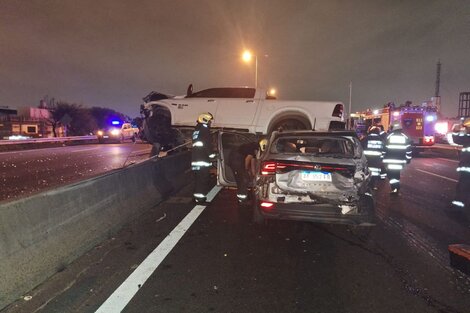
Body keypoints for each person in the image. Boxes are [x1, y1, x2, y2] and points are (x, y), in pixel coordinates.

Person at [191, 112, 215, 203]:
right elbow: (207, 144)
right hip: (202, 159)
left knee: (197, 179)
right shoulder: (205, 130)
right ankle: (200, 198)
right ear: (205, 120)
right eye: (209, 121)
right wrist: (212, 155)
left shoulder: (196, 130)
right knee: (203, 179)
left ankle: (196, 195)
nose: (210, 123)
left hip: (195, 159)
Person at [383, 126, 411, 194]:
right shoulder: (405, 137)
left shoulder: (389, 136)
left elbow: (384, 148)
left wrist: (382, 157)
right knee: (396, 173)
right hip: (400, 160)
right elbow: (408, 150)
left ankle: (395, 187)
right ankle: (396, 187)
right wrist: (408, 159)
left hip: (390, 160)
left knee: (391, 175)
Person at [451, 118, 470, 209]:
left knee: (463, 187)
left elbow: (456, 139)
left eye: (467, 128)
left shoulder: (467, 138)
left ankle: (457, 208)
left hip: (467, 169)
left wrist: (455, 130)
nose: (466, 130)